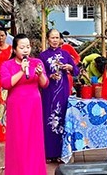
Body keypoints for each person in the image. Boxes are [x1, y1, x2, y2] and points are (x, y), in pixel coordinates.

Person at [0, 33, 48, 175]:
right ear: (14, 49)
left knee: (34, 139)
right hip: (17, 106)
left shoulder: (37, 62)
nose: (26, 50)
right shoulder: (7, 65)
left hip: (34, 105)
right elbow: (6, 83)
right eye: (22, 47)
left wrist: (40, 75)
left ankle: (35, 171)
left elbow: (45, 84)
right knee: (18, 139)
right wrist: (21, 71)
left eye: (28, 47)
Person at [39, 29, 78, 163]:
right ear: (47, 39)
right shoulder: (42, 56)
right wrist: (49, 76)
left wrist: (70, 68)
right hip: (49, 93)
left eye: (57, 37)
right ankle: (49, 153)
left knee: (62, 120)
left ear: (60, 39)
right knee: (49, 120)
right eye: (52, 37)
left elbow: (76, 71)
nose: (55, 40)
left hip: (63, 93)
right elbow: (39, 75)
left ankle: (63, 152)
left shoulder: (66, 54)